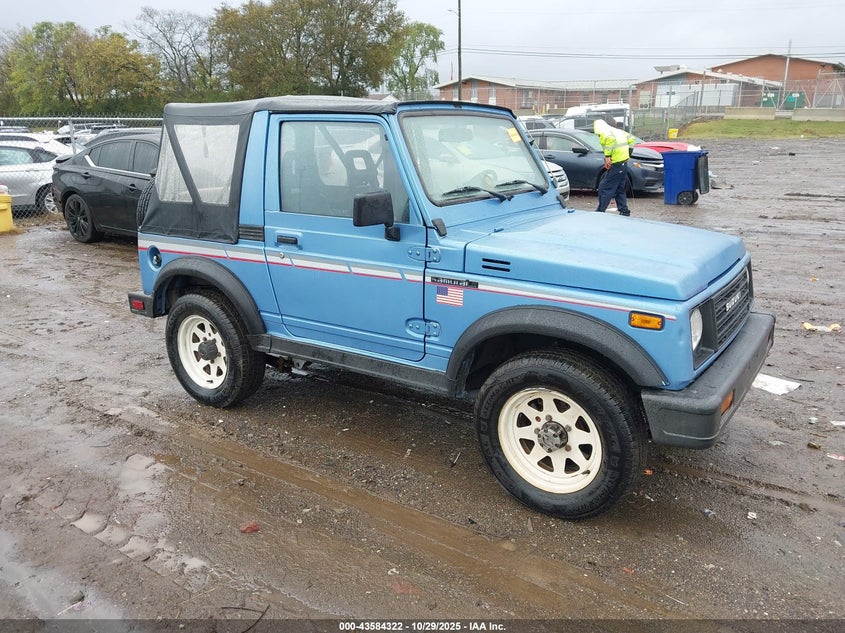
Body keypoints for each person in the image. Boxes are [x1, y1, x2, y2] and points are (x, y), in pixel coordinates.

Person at [593, 118, 636, 216]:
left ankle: (600, 211)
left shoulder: (606, 133)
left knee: (605, 187)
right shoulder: (617, 131)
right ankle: (624, 210)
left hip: (616, 163)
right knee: (619, 188)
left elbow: (610, 140)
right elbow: (632, 139)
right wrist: (628, 154)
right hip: (623, 163)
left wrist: (608, 156)